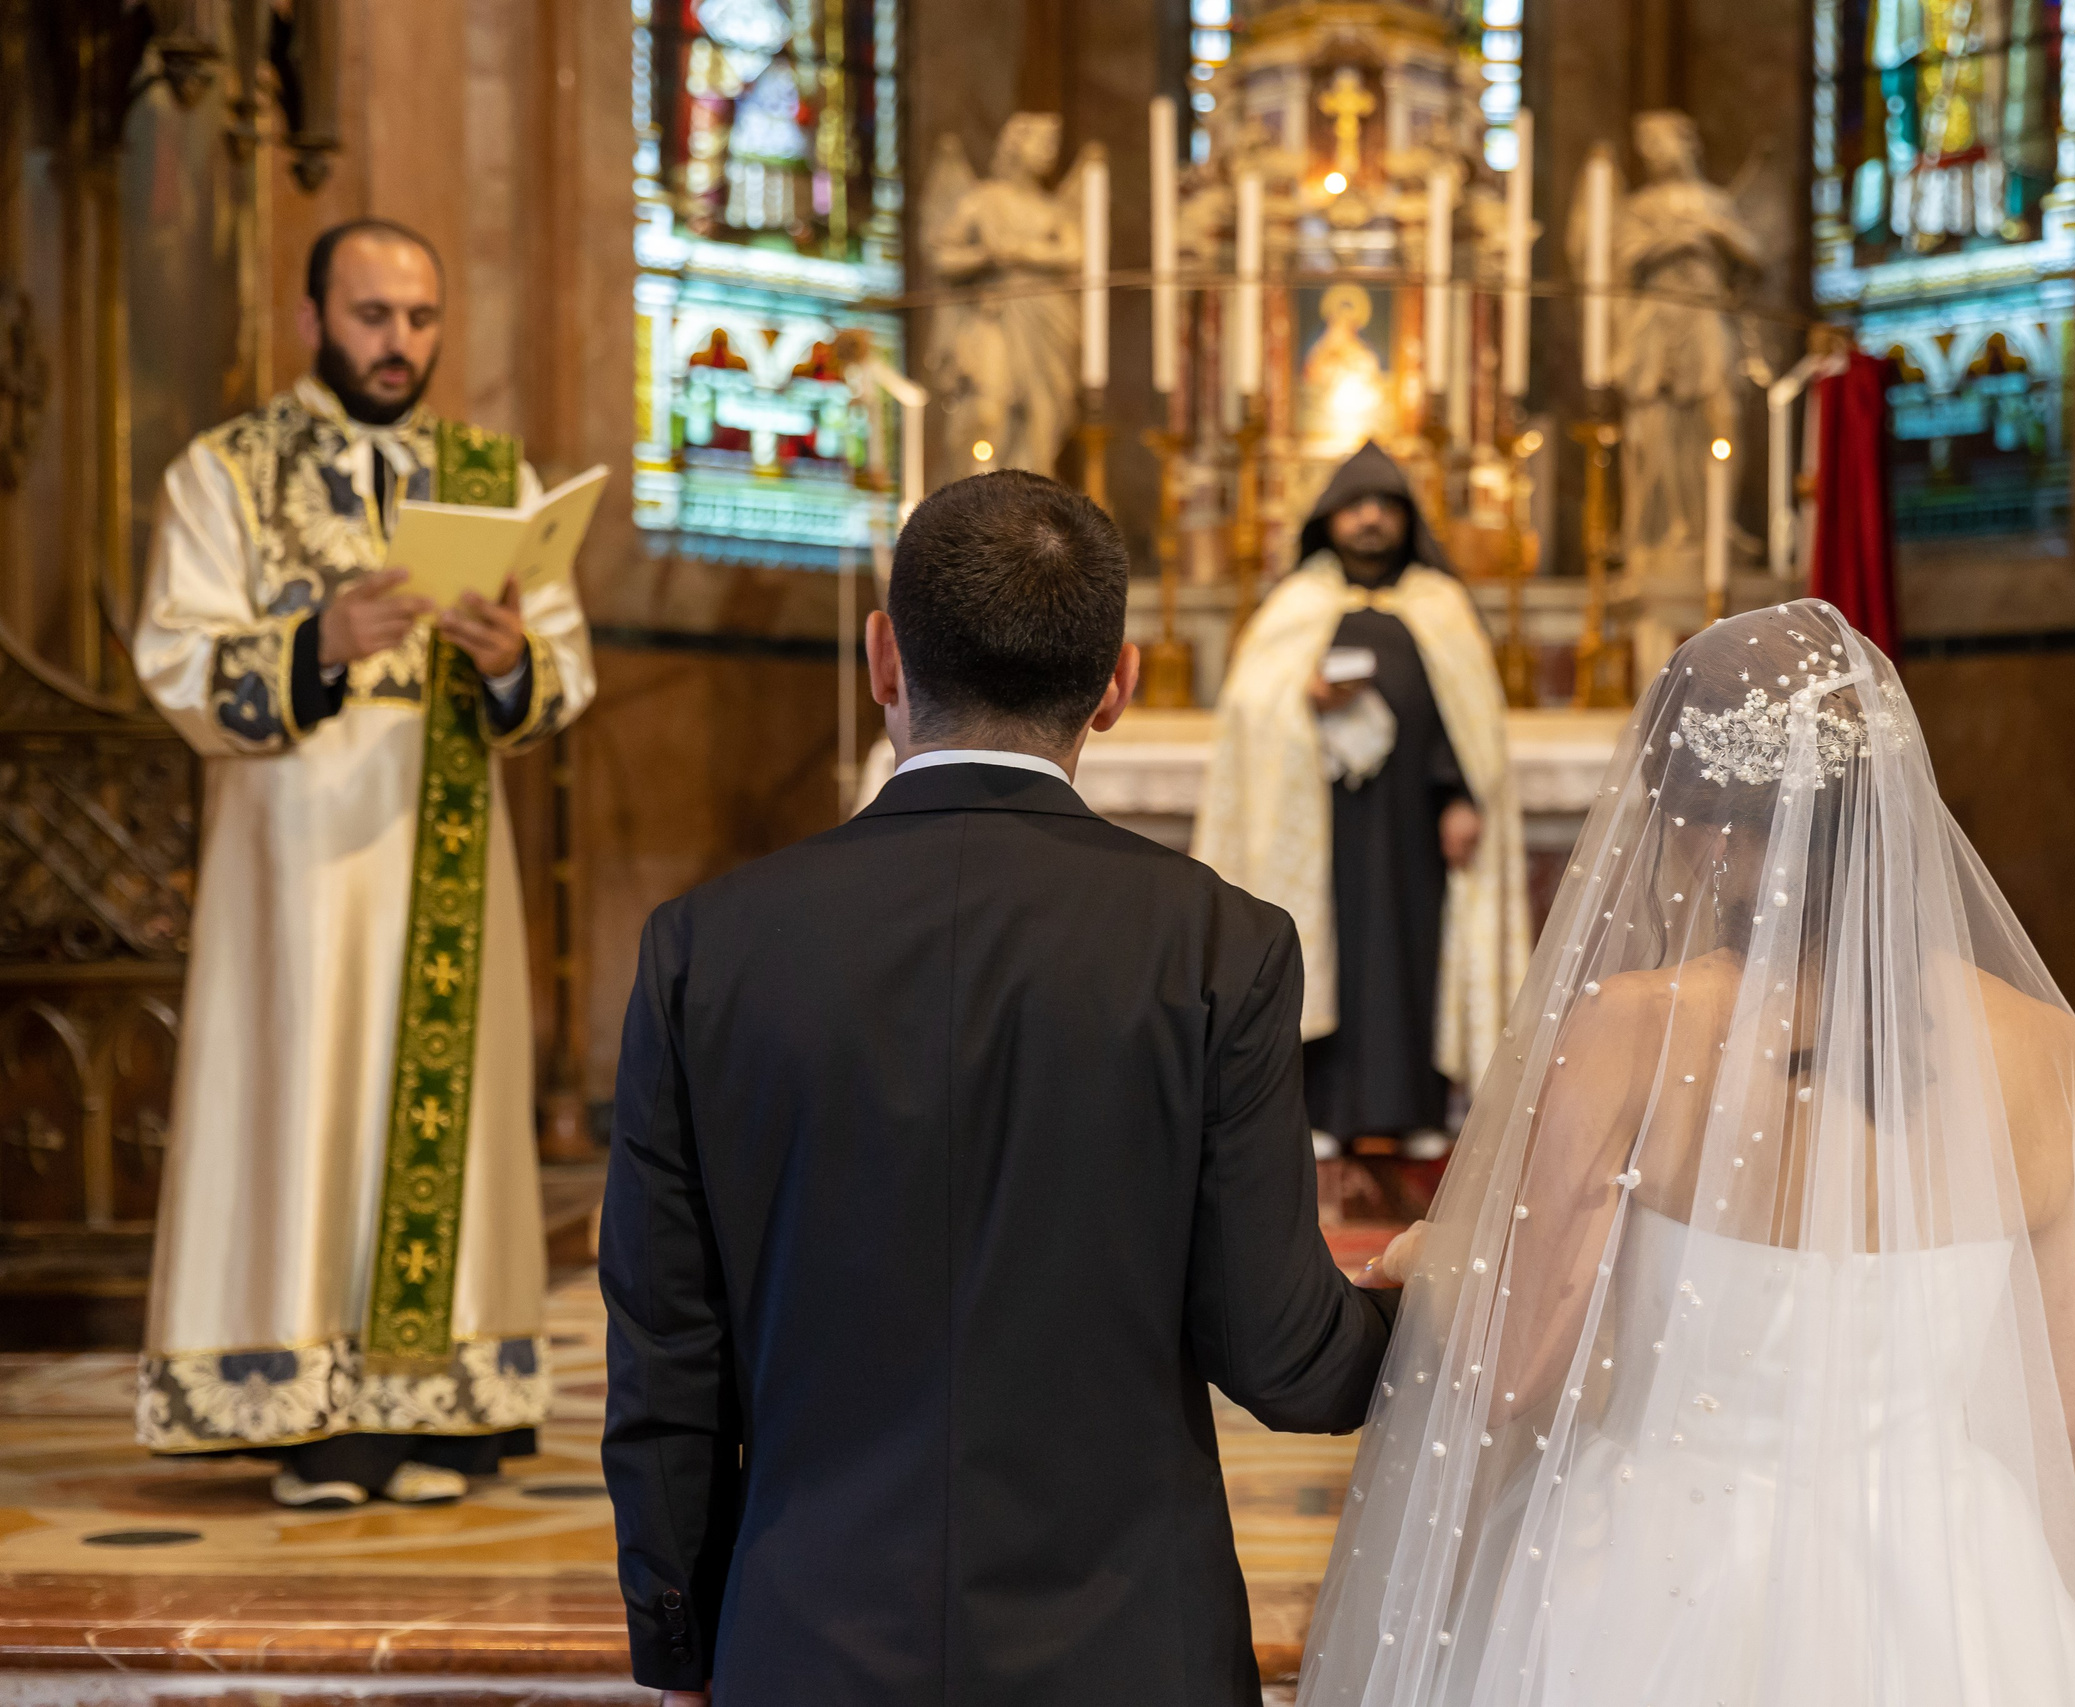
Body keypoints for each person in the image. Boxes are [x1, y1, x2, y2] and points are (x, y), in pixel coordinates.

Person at [1302, 601, 2075, 1707]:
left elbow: (1515, 1371)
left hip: (1653, 1578)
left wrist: (1439, 1255)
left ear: (1701, 830)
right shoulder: (2050, 1051)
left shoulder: (1631, 1031)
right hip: (1948, 1573)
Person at [600, 470, 1400, 1706]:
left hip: (807, 1646)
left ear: (883, 660)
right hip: (1135, 1655)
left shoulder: (707, 947)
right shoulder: (1220, 946)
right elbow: (1286, 1361)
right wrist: (1437, 1312)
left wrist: (679, 1642)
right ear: (1118, 683)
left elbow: (667, 1349)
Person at [130, 220, 595, 1507]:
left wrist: (509, 656)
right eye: (373, 316)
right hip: (291, 866)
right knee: (305, 1108)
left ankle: (435, 1409)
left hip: (447, 848)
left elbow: (564, 666)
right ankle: (307, 1412)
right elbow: (173, 661)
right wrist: (317, 640)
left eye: (422, 319)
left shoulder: (495, 476)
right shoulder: (224, 472)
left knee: (436, 1112)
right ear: (311, 317)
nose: (400, 344)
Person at [1195, 442, 1529, 1162]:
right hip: (1324, 828)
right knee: (1322, 957)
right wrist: (1303, 696)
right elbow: (1252, 709)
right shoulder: (1295, 605)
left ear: (1408, 520)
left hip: (1417, 829)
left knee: (1414, 959)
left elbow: (1466, 725)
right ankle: (1319, 1109)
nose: (1371, 519)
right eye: (1356, 505)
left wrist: (1462, 800)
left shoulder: (1440, 607)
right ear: (1329, 519)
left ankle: (1414, 1110)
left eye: (1386, 506)